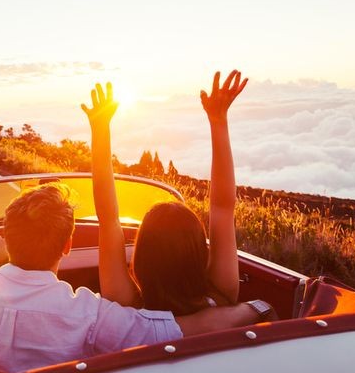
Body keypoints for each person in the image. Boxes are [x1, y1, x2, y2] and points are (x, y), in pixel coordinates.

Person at [0, 180, 266, 373]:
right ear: (68, 245)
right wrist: (253, 308)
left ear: (6, 237)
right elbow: (182, 329)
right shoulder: (89, 316)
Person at [83, 71, 275, 319]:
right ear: (200, 256)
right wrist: (218, 120)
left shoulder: (129, 308)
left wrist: (100, 128)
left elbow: (108, 217)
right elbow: (222, 209)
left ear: (141, 261)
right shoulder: (222, 296)